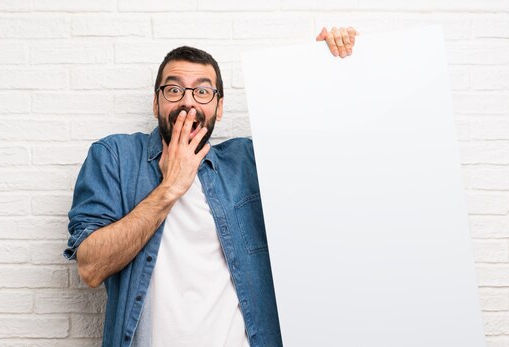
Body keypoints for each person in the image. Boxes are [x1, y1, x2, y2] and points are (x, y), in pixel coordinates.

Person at [63, 26, 359, 347]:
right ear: (156, 103)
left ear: (219, 107)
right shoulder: (114, 158)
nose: (188, 103)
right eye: (174, 90)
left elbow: (324, 165)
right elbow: (91, 268)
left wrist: (322, 68)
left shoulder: (247, 161)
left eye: (202, 92)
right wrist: (169, 188)